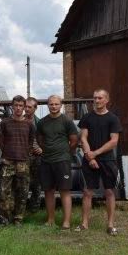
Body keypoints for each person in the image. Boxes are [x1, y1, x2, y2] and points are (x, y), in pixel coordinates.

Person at [77, 89, 122, 235]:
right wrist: (90, 158)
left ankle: (110, 225)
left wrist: (95, 154)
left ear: (107, 100)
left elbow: (114, 141)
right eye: (95, 98)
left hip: (107, 160)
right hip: (89, 159)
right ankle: (84, 223)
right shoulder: (87, 117)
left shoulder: (113, 119)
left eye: (100, 98)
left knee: (109, 192)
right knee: (87, 192)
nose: (96, 101)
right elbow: (83, 138)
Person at [36, 95, 78, 230]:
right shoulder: (42, 122)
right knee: (48, 191)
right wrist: (46, 150)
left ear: (61, 105)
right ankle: (50, 219)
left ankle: (66, 222)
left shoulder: (67, 121)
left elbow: (74, 141)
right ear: (47, 105)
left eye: (56, 104)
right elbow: (40, 139)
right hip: (46, 160)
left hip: (62, 161)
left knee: (64, 191)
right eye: (51, 104)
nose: (53, 106)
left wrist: (65, 152)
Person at [0, 95, 35, 226]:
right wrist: (7, 153)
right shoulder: (5, 123)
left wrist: (25, 153)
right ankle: (5, 219)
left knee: (22, 192)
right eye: (16, 106)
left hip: (23, 163)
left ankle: (18, 219)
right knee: (4, 192)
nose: (18, 108)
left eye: (21, 106)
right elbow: (1, 141)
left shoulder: (29, 124)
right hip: (7, 162)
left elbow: (31, 142)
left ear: (24, 107)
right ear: (12, 107)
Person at [24, 97, 43, 212]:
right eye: (25, 106)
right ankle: (21, 208)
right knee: (22, 182)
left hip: (36, 157)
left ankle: (34, 208)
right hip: (22, 156)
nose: (26, 109)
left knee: (36, 183)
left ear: (35, 108)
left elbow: (46, 139)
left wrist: (42, 149)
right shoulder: (19, 120)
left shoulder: (40, 123)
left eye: (29, 107)